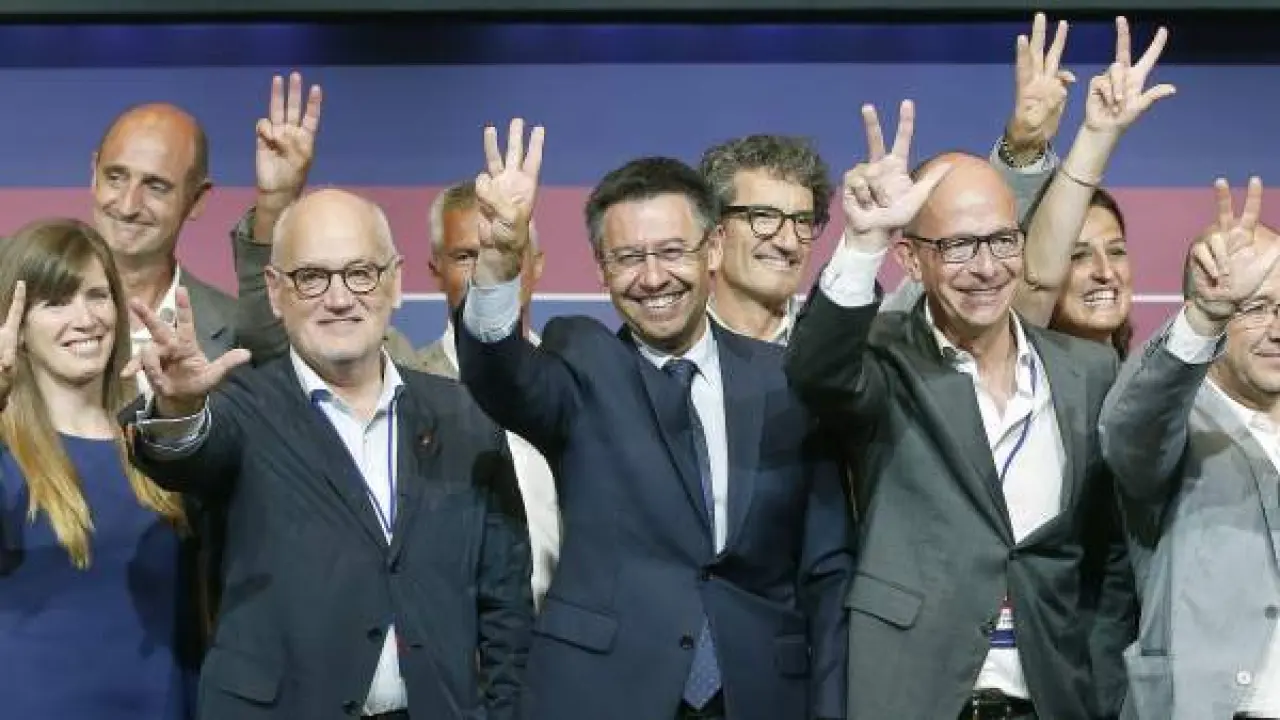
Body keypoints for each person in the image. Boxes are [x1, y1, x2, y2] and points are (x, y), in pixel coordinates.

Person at [455, 119, 853, 720]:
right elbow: (498, 372)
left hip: (763, 693)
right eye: (628, 258)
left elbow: (827, 571)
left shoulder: (785, 380)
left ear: (712, 249)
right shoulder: (582, 361)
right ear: (600, 269)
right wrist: (498, 260)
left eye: (672, 251)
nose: (652, 277)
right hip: (606, 694)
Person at [122, 188, 532, 720]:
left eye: (360, 273)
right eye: (312, 277)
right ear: (275, 292)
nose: (339, 299)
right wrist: (179, 407)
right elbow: (183, 456)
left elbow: (507, 609)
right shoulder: (240, 409)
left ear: (395, 282)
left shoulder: (466, 416)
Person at [785, 100, 1127, 719]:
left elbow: (1107, 555)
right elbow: (817, 372)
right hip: (915, 692)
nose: (987, 268)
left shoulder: (1088, 371)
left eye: (1001, 240)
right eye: (960, 246)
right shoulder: (884, 358)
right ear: (911, 259)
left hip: (1052, 694)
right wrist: (862, 242)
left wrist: (1100, 684)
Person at [0, 219, 196, 719]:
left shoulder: (160, 442)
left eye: (96, 295)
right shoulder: (6, 453)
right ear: (17, 329)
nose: (84, 318)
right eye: (56, 302)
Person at [1099, 177, 1280, 720]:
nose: (1276, 329)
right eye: (1255, 307)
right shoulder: (1176, 421)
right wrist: (1207, 316)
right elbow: (1134, 429)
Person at [698, 134, 832, 344]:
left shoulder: (836, 340)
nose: (789, 243)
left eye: (802, 221)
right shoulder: (672, 345)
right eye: (764, 217)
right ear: (713, 231)